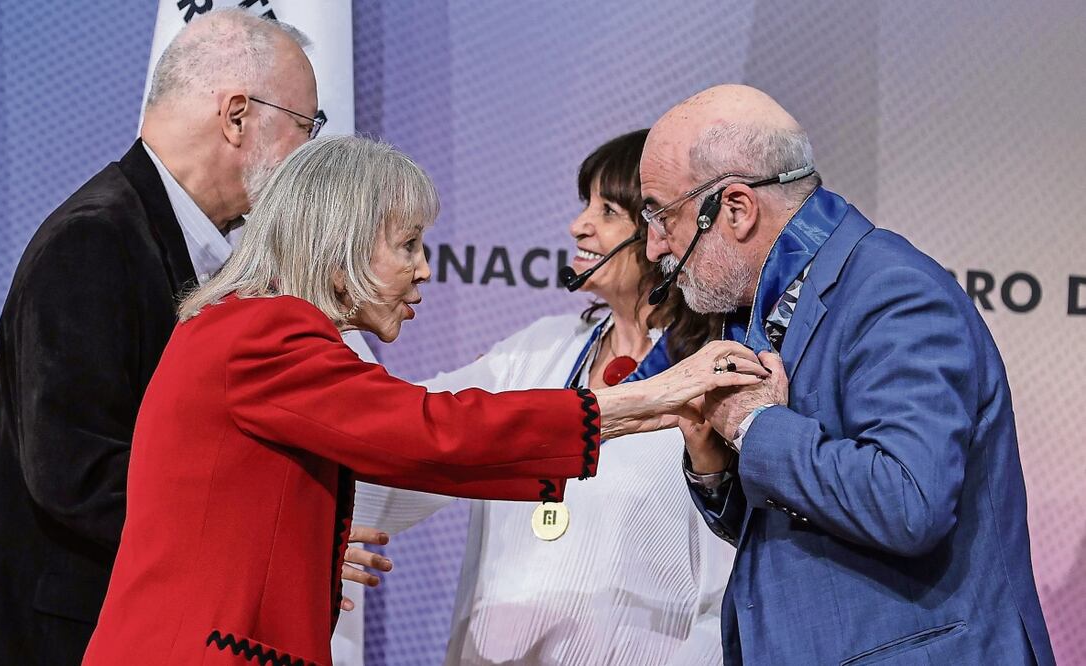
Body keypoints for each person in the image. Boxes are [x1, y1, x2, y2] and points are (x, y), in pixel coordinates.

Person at [81, 134, 764, 665]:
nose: (425, 268)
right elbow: (424, 430)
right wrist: (644, 402)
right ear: (341, 243)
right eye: (408, 244)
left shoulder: (245, 325)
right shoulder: (266, 330)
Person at [0, 10, 386, 665]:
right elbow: (75, 476)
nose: (307, 156)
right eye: (305, 126)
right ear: (236, 116)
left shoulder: (194, 245)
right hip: (77, 636)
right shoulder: (94, 240)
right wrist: (269, 539)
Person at [641, 84, 1055, 665]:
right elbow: (793, 526)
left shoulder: (893, 292)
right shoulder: (767, 308)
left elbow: (907, 503)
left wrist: (754, 426)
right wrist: (713, 463)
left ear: (735, 208)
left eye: (660, 214)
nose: (655, 244)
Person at [350, 129, 732, 665]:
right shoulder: (537, 353)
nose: (579, 225)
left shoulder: (710, 378)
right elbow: (409, 434)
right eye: (585, 205)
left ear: (661, 232)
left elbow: (730, 575)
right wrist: (318, 514)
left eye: (607, 211)